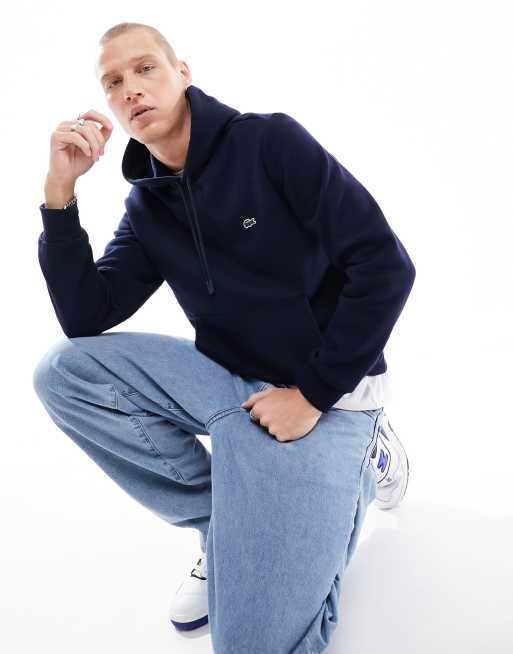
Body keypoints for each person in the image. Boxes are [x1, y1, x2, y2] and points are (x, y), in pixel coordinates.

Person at [32, 21, 415, 654]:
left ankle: (365, 455)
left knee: (250, 644)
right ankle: (224, 525)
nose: (131, 89)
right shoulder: (148, 205)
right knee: (64, 371)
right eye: (113, 82)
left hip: (325, 398)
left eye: (145, 68)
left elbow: (385, 266)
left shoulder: (269, 143)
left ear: (182, 73)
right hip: (231, 387)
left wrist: (313, 394)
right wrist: (59, 194)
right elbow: (85, 316)